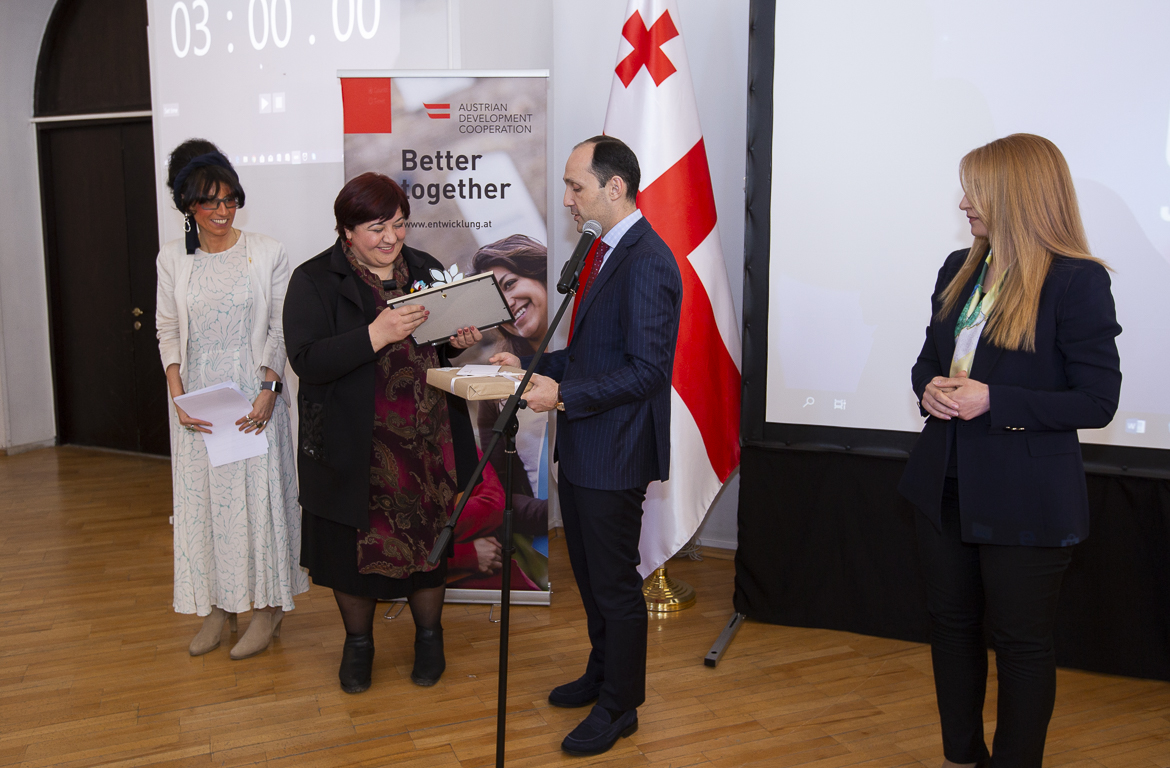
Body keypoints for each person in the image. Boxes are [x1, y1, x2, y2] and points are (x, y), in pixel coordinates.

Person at [898, 134, 1122, 768]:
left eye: (976, 191)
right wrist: (928, 388)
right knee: (951, 630)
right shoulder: (958, 267)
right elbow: (927, 361)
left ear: (1016, 195)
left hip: (1026, 496)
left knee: (1021, 645)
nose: (963, 203)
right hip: (943, 484)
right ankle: (961, 756)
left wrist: (996, 400)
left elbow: (1097, 401)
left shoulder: (1076, 281)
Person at [490, 136, 683, 756]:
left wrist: (563, 396)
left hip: (615, 452)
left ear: (614, 187)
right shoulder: (602, 249)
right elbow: (592, 354)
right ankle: (602, 675)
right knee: (594, 579)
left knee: (614, 584)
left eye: (576, 187)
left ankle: (621, 706)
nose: (568, 199)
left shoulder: (649, 260)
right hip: (584, 446)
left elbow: (647, 371)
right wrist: (529, 365)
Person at [283, 172, 479, 694]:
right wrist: (374, 334)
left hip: (428, 441)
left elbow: (439, 346)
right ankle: (358, 645)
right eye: (376, 228)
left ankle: (430, 638)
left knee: (428, 548)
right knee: (352, 556)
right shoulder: (314, 280)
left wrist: (457, 342)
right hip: (355, 448)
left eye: (398, 224)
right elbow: (306, 360)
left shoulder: (426, 268)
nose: (391, 238)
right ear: (346, 230)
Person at [155, 138, 308, 660]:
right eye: (209, 202)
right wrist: (179, 397)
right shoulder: (172, 258)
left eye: (230, 200)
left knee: (259, 506)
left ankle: (267, 607)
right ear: (188, 205)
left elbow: (281, 328)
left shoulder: (266, 251)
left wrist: (269, 389)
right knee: (208, 508)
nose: (222, 211)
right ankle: (220, 607)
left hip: (255, 397)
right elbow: (168, 329)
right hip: (200, 403)